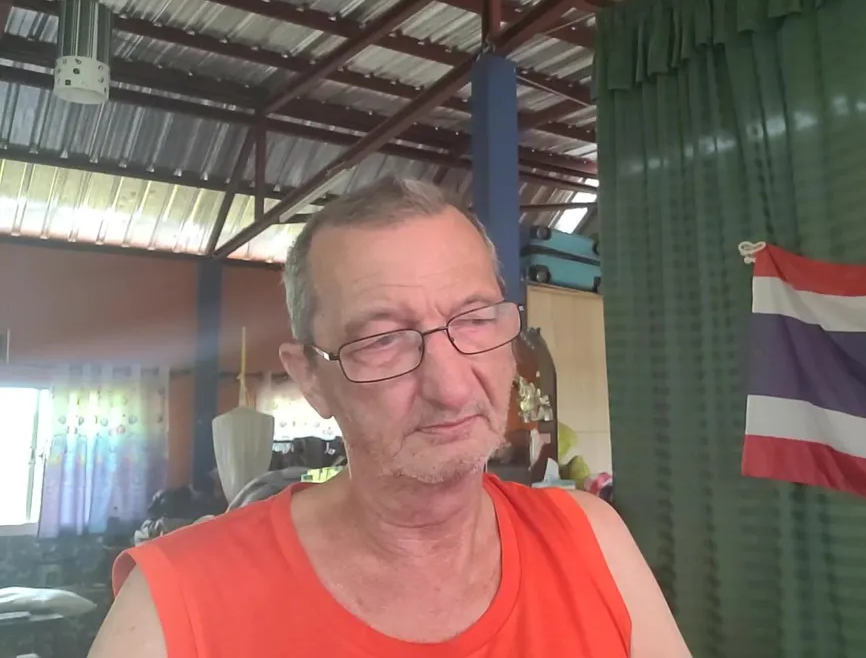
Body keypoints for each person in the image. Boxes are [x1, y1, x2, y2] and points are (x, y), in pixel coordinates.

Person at [89, 176, 691, 657]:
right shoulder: (176, 605)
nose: (452, 388)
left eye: (475, 320)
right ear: (311, 378)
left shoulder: (591, 540)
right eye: (382, 341)